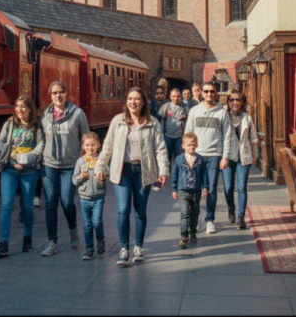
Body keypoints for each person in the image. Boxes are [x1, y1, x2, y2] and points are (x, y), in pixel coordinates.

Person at [95, 86, 169, 267]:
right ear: (126, 102)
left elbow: (160, 148)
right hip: (122, 171)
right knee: (122, 211)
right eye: (130, 99)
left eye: (137, 99)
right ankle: (124, 249)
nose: (133, 102)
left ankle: (138, 247)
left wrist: (163, 170)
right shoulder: (118, 121)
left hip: (143, 171)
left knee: (140, 212)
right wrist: (100, 165)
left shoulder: (152, 123)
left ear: (143, 102)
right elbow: (108, 146)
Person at [38, 81, 89, 256]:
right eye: (54, 93)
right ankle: (52, 242)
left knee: (67, 202)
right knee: (50, 203)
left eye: (61, 92)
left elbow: (86, 139)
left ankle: (73, 228)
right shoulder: (45, 115)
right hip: (49, 165)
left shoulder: (77, 114)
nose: (57, 96)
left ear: (67, 93)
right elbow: (41, 140)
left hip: (70, 166)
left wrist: (85, 162)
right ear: (50, 95)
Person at [0, 95, 44, 257]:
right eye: (17, 106)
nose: (19, 109)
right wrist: (11, 156)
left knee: (28, 207)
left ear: (30, 109)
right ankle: (3, 242)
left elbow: (39, 148)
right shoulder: (9, 124)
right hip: (10, 170)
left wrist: (26, 159)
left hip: (29, 171)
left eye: (23, 106)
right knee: (6, 206)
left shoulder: (36, 126)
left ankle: (27, 238)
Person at [184, 81, 231, 235]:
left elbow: (227, 136)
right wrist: (187, 154)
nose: (209, 94)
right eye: (206, 91)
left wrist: (225, 156)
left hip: (214, 155)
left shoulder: (222, 112)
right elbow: (188, 132)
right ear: (202, 93)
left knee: (211, 189)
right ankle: (195, 218)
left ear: (216, 92)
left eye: (212, 91)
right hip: (196, 154)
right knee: (195, 188)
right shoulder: (194, 111)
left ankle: (209, 219)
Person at [222, 90, 259, 229]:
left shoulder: (247, 118)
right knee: (228, 187)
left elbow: (253, 138)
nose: (235, 102)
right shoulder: (224, 117)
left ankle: (241, 216)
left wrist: (254, 156)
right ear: (228, 102)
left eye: (237, 100)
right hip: (228, 156)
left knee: (241, 187)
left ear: (241, 102)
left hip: (244, 156)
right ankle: (231, 208)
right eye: (232, 100)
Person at [72, 132, 107, 260]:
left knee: (97, 222)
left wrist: (103, 177)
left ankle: (101, 241)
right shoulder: (80, 162)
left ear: (98, 145)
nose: (90, 148)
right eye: (87, 145)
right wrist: (81, 176)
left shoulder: (101, 161)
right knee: (87, 225)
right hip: (84, 198)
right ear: (83, 146)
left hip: (98, 196)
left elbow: (108, 174)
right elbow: (74, 180)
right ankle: (89, 248)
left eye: (92, 145)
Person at [172, 132, 208, 248]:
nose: (191, 147)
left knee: (194, 213)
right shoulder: (179, 160)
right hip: (183, 190)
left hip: (196, 190)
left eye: (193, 145)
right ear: (183, 146)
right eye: (189, 145)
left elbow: (204, 175)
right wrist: (174, 189)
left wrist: (205, 187)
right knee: (184, 214)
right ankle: (184, 236)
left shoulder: (200, 160)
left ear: (196, 145)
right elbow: (175, 175)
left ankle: (193, 233)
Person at [157, 88, 186, 166]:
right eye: (174, 96)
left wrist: (185, 117)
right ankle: (167, 176)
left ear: (181, 97)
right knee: (167, 158)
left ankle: (177, 176)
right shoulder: (166, 107)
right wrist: (161, 135)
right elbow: (160, 121)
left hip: (179, 137)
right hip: (168, 137)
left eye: (178, 96)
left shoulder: (184, 107)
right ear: (170, 97)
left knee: (179, 158)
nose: (176, 98)